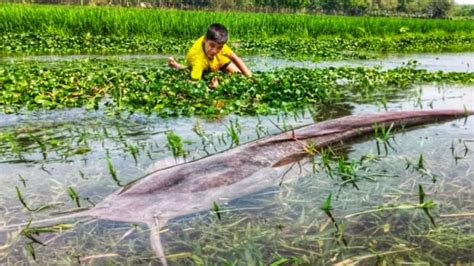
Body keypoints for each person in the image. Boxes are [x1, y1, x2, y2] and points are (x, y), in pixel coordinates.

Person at [168, 23, 252, 88]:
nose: (214, 50)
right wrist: (211, 87)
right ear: (205, 40)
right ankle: (177, 66)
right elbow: (195, 84)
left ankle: (175, 64)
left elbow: (235, 58)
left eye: (219, 47)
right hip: (201, 63)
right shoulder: (198, 59)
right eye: (212, 45)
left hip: (218, 60)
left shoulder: (220, 46)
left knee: (239, 75)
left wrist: (250, 77)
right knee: (203, 73)